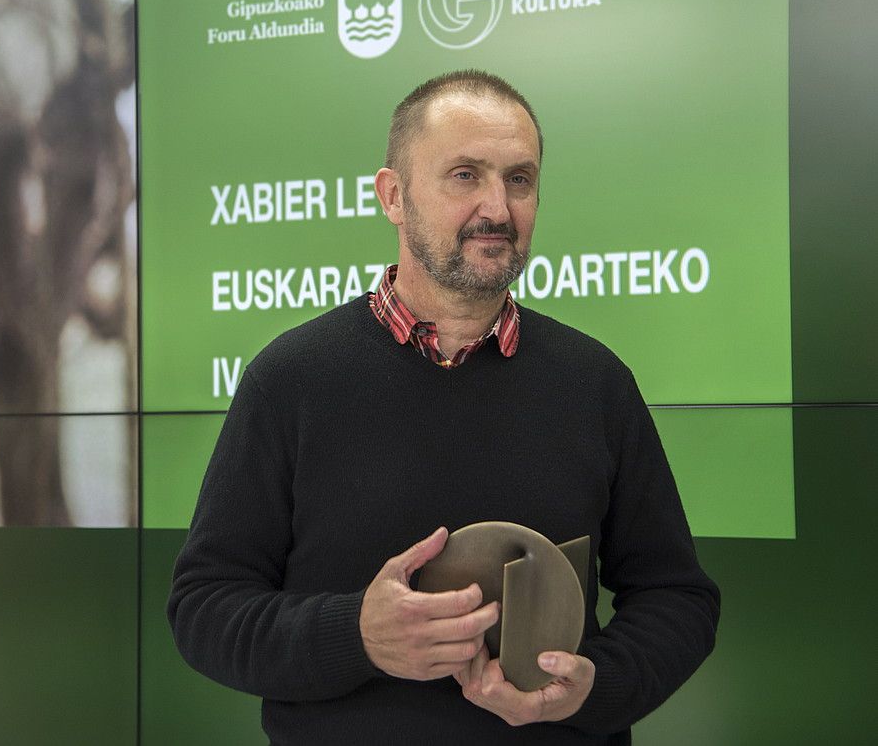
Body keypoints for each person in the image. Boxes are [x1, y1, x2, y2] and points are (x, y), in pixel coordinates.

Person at [168, 70, 719, 743]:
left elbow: (677, 598)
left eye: (519, 179)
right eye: (464, 175)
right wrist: (358, 636)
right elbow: (204, 610)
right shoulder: (290, 380)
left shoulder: (594, 382)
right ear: (392, 196)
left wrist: (592, 688)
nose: (497, 207)